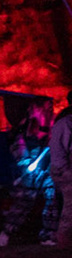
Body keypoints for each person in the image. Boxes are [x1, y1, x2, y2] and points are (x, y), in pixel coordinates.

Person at [48, 101, 72, 247]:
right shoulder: (67, 123)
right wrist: (65, 168)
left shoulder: (64, 122)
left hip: (61, 167)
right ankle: (64, 237)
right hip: (63, 169)